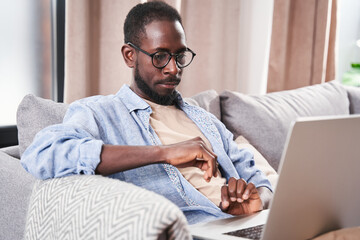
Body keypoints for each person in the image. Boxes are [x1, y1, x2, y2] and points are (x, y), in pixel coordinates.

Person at [21, 1, 273, 224]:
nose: (173, 69)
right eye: (160, 56)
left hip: (238, 225)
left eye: (179, 56)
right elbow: (42, 155)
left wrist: (255, 202)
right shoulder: (99, 112)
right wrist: (165, 153)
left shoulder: (206, 121)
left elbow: (262, 183)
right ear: (130, 56)